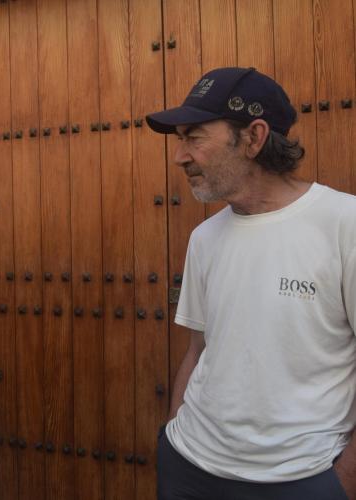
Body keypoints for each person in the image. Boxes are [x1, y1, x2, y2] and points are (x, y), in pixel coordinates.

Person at [145, 67, 356, 500]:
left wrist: (342, 483)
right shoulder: (204, 238)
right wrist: (173, 436)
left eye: (194, 136)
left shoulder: (344, 224)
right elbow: (199, 350)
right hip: (189, 467)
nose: (179, 155)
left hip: (300, 480)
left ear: (254, 137)